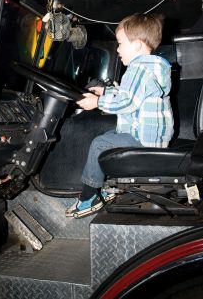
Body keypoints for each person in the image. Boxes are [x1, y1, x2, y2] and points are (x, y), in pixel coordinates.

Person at [66, 13, 174, 218]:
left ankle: (89, 196)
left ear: (138, 45)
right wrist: (105, 93)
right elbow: (132, 96)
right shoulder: (154, 67)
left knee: (100, 143)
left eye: (120, 43)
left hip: (142, 139)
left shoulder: (138, 69)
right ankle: (103, 185)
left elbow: (127, 102)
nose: (117, 49)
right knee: (110, 136)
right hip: (152, 137)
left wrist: (97, 102)